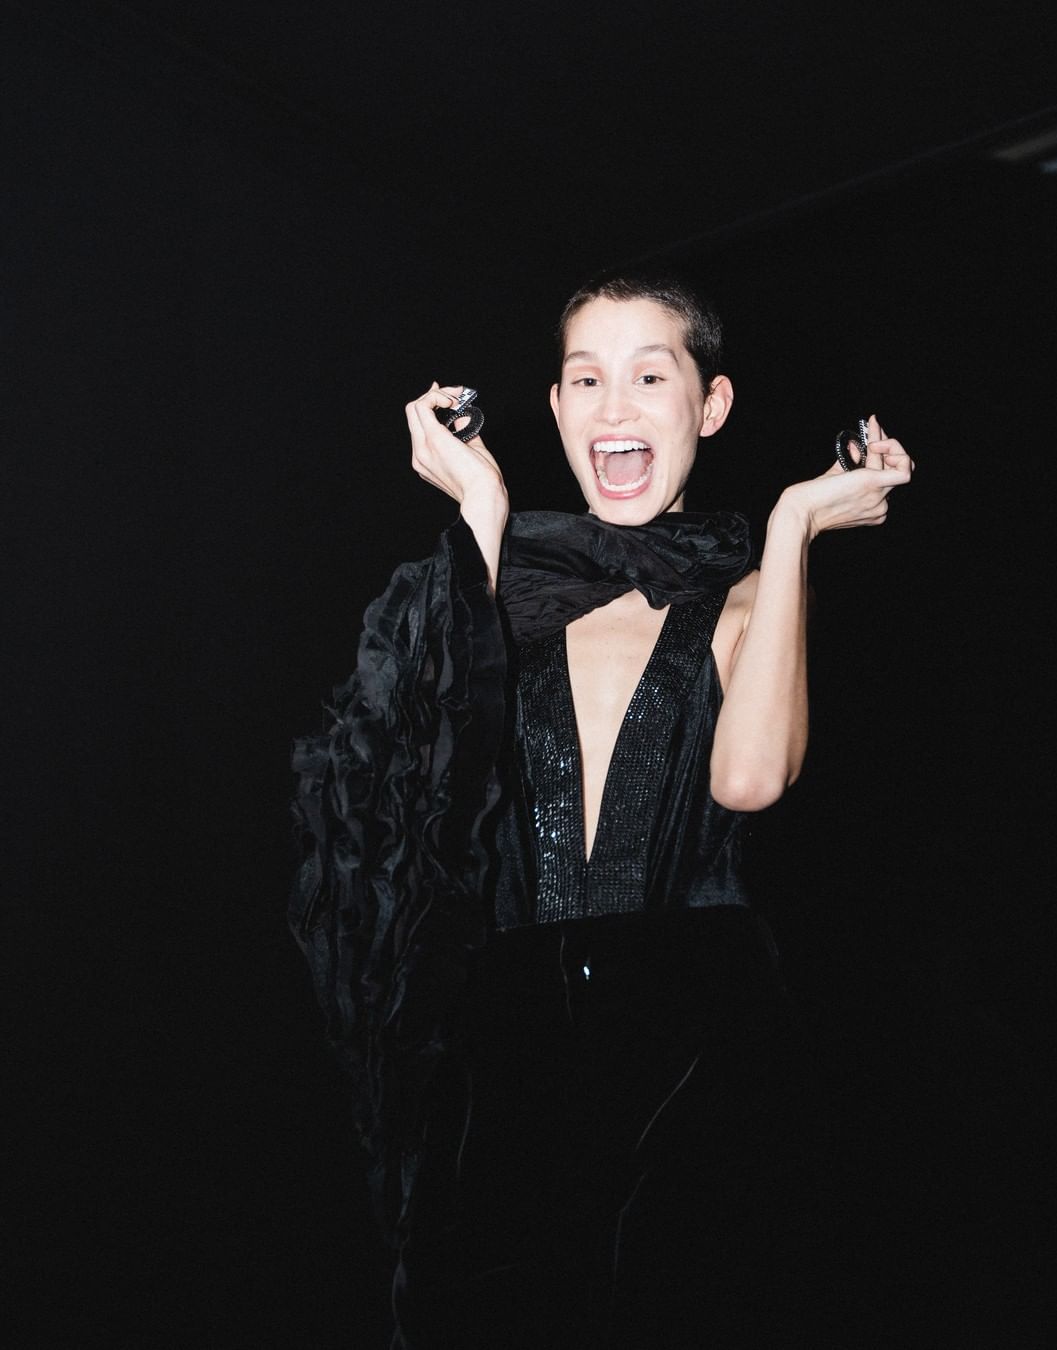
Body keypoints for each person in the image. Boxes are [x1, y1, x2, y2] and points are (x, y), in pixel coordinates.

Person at [290, 270, 914, 1348]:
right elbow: (416, 806)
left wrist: (795, 526)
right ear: (555, 407)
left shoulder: (747, 588)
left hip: (697, 1038)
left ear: (711, 406)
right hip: (508, 1045)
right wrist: (482, 514)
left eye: (650, 376)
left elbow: (750, 781)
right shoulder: (497, 586)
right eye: (587, 379)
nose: (614, 405)